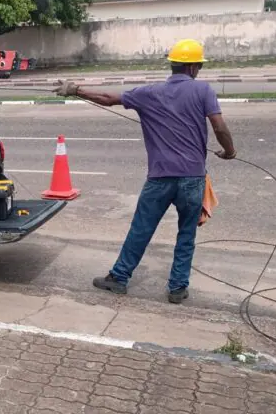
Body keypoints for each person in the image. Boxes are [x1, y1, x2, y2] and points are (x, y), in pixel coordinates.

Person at [54, 38, 237, 304]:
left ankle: (119, 278)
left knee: (141, 228)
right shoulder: (203, 90)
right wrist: (230, 151)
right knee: (187, 233)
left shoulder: (150, 93)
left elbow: (107, 98)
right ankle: (177, 288)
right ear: (194, 67)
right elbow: (219, 127)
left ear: (173, 65)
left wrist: (75, 90)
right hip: (192, 179)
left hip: (160, 178)